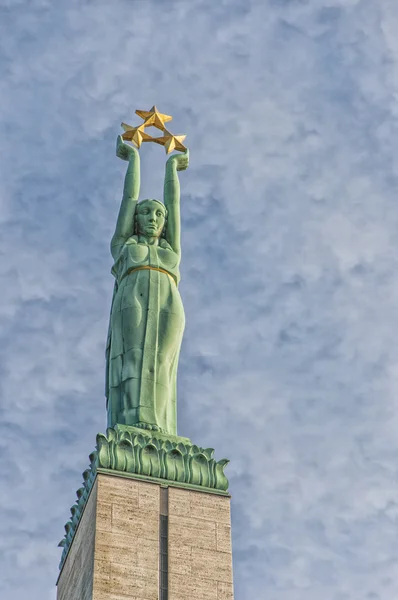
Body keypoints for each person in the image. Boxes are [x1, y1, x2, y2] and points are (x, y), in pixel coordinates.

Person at [105, 135, 189, 434]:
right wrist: (133, 160)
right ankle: (135, 420)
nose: (153, 217)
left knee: (163, 361)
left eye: (158, 214)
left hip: (168, 299)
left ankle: (161, 426)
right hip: (133, 295)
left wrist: (172, 169)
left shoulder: (171, 250)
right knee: (135, 355)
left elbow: (174, 204)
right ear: (135, 219)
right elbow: (128, 199)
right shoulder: (124, 245)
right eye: (145, 212)